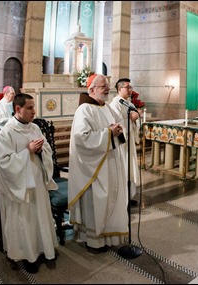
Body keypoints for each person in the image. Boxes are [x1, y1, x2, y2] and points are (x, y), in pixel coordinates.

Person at [0, 93, 58, 273]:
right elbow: (4, 162)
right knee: (25, 221)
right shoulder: (7, 132)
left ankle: (44, 249)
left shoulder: (35, 128)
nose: (33, 111)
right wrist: (27, 151)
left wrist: (40, 151)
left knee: (40, 217)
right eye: (29, 108)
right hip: (20, 187)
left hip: (37, 181)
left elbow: (45, 149)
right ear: (17, 109)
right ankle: (27, 256)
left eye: (33, 107)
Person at [68, 74, 128, 252]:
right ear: (92, 89)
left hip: (109, 163)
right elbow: (82, 139)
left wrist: (117, 130)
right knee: (96, 203)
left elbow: (115, 128)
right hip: (93, 168)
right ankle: (94, 241)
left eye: (107, 85)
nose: (107, 88)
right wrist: (108, 134)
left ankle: (109, 236)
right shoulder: (84, 110)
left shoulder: (107, 108)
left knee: (111, 200)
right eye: (103, 86)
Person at [110, 78, 140, 206]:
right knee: (123, 170)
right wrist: (131, 118)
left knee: (130, 170)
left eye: (130, 87)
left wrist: (135, 119)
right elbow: (117, 124)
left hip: (130, 143)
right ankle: (122, 200)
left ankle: (128, 197)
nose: (130, 89)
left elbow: (136, 118)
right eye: (127, 87)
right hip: (122, 144)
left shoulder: (128, 103)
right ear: (119, 89)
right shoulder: (115, 104)